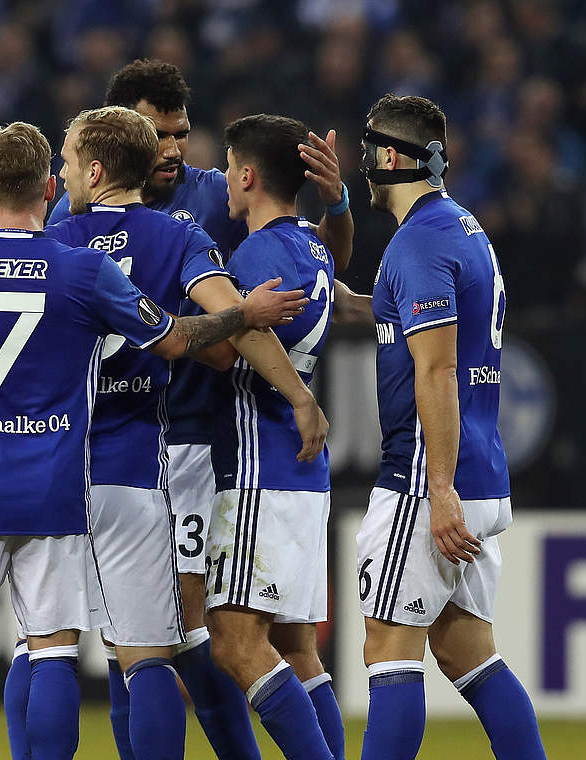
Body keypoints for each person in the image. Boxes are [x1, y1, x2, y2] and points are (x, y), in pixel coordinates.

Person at [0, 121, 307, 760]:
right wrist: (255, 328)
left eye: (76, 159)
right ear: (47, 184)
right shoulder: (124, 255)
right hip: (125, 468)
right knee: (146, 655)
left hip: (10, 473)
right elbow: (188, 343)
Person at [44, 58, 357, 760]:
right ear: (119, 137)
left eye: (181, 134)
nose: (172, 149)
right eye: (157, 135)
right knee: (152, 634)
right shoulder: (76, 215)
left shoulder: (216, 196)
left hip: (200, 444)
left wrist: (336, 210)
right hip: (128, 439)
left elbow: (319, 271)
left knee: (185, 635)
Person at [355, 94, 547, 760]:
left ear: (388, 155)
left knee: (387, 649)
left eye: (365, 151)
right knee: (468, 653)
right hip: (483, 474)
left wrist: (437, 488)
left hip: (429, 480)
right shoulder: (463, 228)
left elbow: (435, 373)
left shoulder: (418, 244)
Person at [198, 114, 345, 760]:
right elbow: (343, 287)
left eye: (230, 168)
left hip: (261, 460)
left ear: (249, 175)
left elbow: (235, 345)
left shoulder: (255, 255)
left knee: (231, 640)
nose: (226, 181)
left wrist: (160, 328)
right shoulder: (312, 249)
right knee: (295, 645)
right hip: (303, 473)